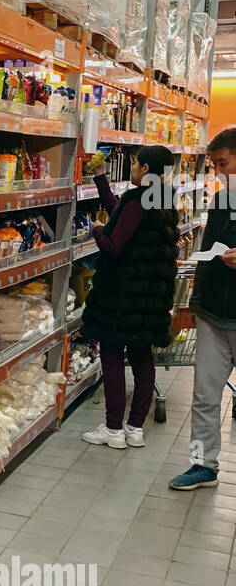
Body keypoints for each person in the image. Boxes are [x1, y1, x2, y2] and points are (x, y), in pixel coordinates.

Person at [80, 144, 178, 449]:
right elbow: (121, 217)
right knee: (141, 354)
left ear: (145, 168)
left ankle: (112, 430)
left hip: (123, 294)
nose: (133, 167)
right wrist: (100, 178)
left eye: (134, 162)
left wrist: (96, 230)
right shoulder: (161, 198)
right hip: (148, 295)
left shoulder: (138, 200)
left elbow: (113, 245)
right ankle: (135, 428)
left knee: (111, 352)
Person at [169, 127, 236, 490]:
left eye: (223, 163)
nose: (219, 173)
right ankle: (202, 464)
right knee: (204, 397)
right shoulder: (223, 202)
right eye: (215, 166)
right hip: (212, 315)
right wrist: (195, 304)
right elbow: (208, 254)